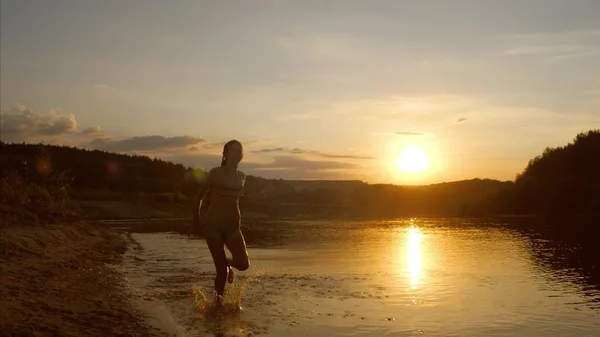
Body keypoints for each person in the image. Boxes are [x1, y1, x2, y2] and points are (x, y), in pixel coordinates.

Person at [192, 140, 250, 303]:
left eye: (239, 150)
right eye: (233, 150)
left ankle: (227, 264)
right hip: (213, 225)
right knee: (221, 272)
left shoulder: (242, 177)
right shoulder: (215, 173)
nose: (237, 153)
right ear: (225, 154)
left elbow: (236, 201)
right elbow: (199, 196)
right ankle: (217, 305)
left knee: (244, 263)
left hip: (233, 227)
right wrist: (195, 219)